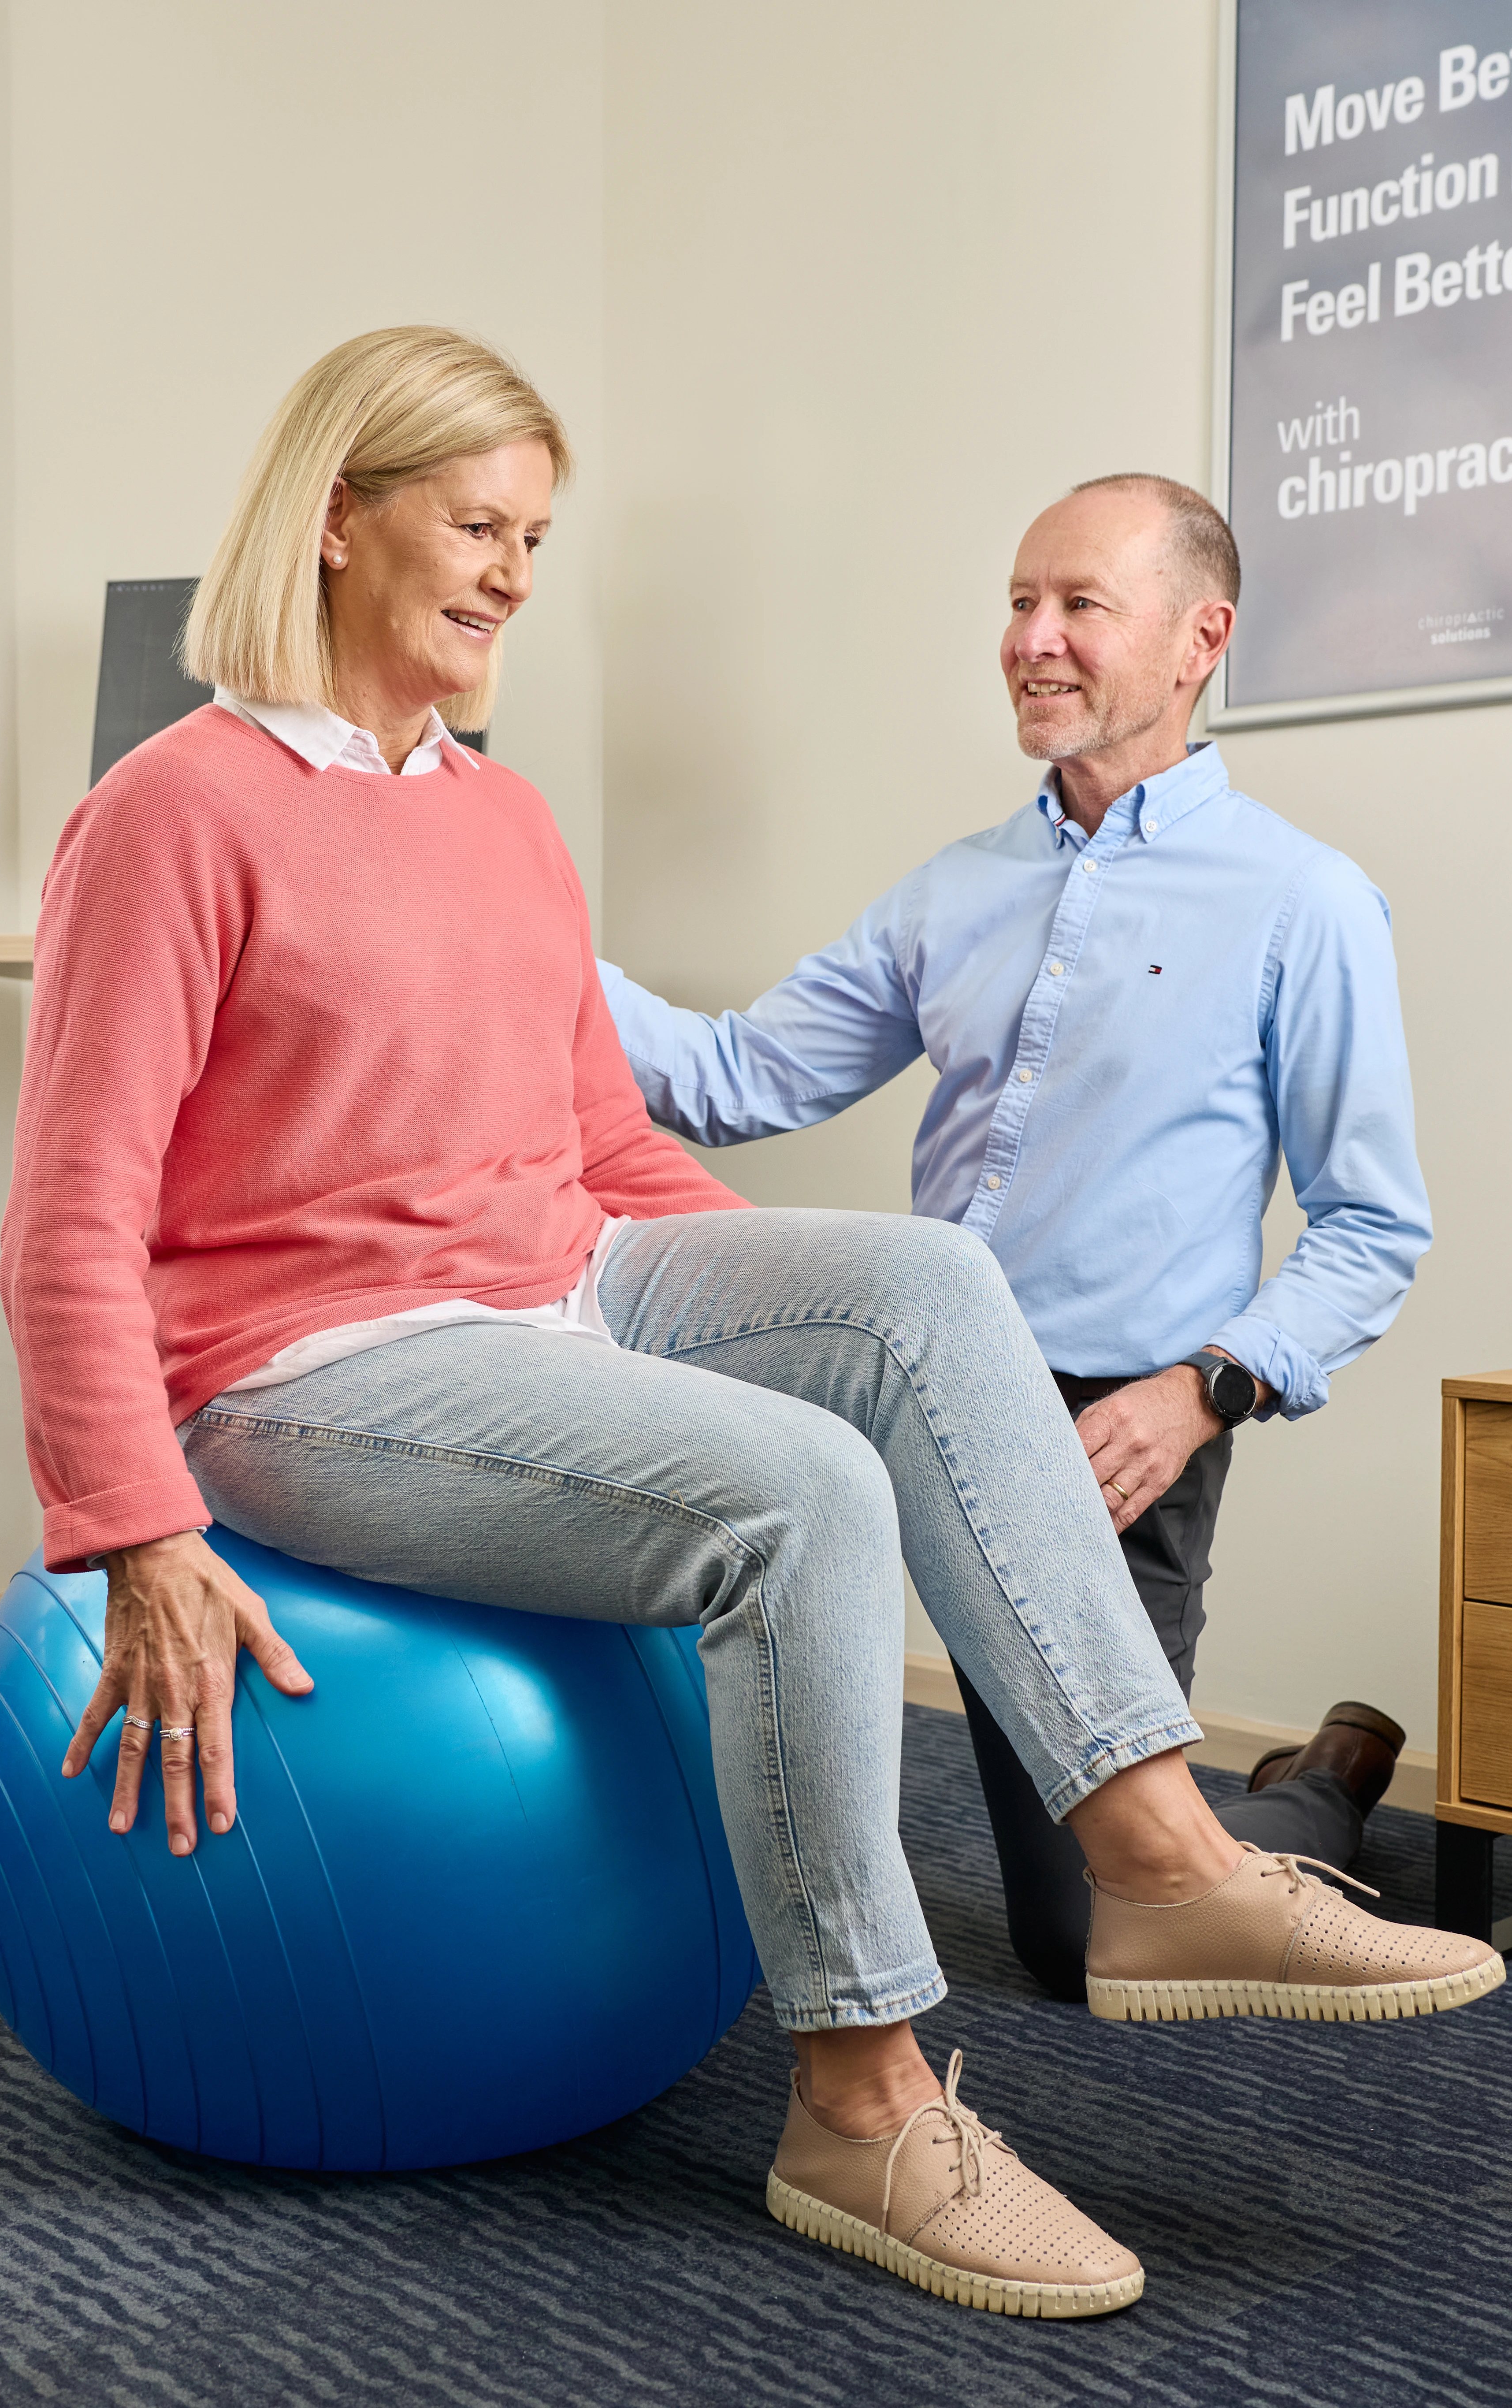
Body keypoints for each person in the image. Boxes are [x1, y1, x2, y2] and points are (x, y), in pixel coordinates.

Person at [0, 329, 1500, 2321]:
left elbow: (606, 1144)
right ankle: (859, 2102)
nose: (513, 571)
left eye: (535, 536)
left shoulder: (504, 823)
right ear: (337, 518)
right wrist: (136, 1530)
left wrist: (797, 1335)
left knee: (929, 1281)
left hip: (552, 1284)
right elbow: (66, 1218)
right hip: (306, 1362)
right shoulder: (172, 811)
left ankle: (1156, 1855)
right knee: (796, 1490)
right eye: (473, 525)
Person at [601, 474, 1434, 2005]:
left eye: (1078, 607)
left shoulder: (1303, 901)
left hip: (1120, 1428)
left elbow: (1372, 1225)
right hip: (928, 1391)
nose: (1031, 640)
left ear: (1201, 640)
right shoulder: (956, 892)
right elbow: (730, 1080)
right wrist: (510, 922)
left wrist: (1202, 1394)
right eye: (1018, 603)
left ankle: (1324, 1784)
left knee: (1081, 1938)